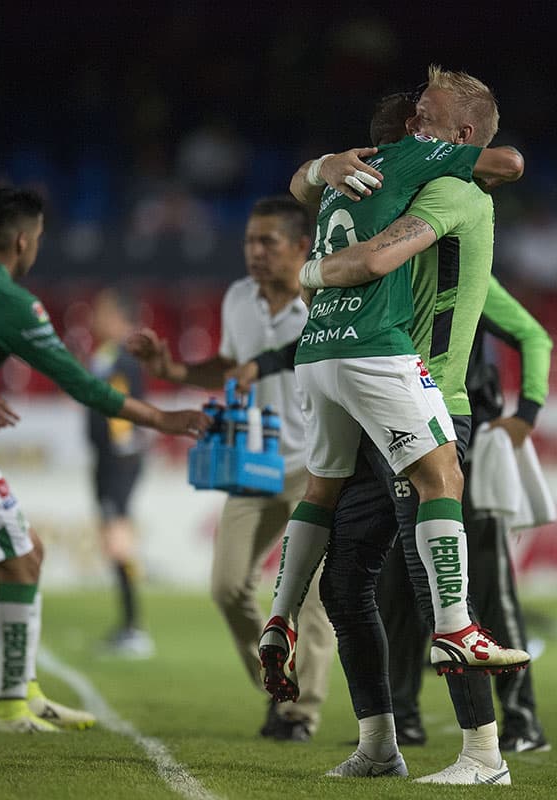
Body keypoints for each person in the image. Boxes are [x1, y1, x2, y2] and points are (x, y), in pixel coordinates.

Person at [255, 68, 529, 783]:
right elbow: (311, 190)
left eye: (425, 120)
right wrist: (323, 169)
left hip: (428, 394)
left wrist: (308, 271)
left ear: (458, 138)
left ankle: (483, 752)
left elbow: (376, 256)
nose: (411, 132)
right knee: (347, 585)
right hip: (370, 392)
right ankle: (378, 744)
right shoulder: (399, 182)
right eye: (407, 123)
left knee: (432, 582)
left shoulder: (453, 191)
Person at [0, 186, 209, 734]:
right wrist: (162, 418)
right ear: (22, 241)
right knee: (20, 559)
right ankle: (12, 707)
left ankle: (26, 694)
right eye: (37, 240)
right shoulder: (10, 301)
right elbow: (81, 384)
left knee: (28, 553)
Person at [128, 195, 335, 742]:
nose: (255, 251)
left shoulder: (325, 299)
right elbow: (228, 364)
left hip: (319, 465)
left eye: (268, 241)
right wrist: (172, 369)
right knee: (226, 587)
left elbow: (301, 354)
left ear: (301, 246)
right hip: (254, 463)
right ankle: (278, 686)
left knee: (313, 600)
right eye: (249, 241)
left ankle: (300, 714)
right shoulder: (238, 298)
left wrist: (256, 366)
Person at [378, 275, 554, 754]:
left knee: (490, 587)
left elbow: (534, 336)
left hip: (465, 445)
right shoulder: (387, 268)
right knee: (397, 583)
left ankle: (523, 721)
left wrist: (527, 413)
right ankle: (402, 720)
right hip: (402, 446)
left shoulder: (462, 270)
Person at [86, 288, 154, 658]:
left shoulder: (124, 356)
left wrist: (121, 451)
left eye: (102, 311)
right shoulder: (107, 354)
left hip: (118, 462)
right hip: (107, 460)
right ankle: (128, 625)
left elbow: (123, 411)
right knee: (112, 539)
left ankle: (133, 627)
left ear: (118, 316)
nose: (95, 318)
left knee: (117, 539)